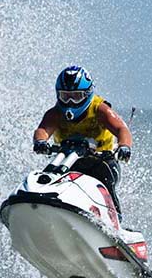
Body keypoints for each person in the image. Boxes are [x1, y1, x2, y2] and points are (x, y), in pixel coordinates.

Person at [32, 66, 132, 217]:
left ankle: (116, 220)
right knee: (48, 176)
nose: (71, 102)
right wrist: (40, 142)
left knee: (105, 179)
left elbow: (122, 129)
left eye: (76, 96)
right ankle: (38, 206)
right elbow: (43, 130)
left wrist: (124, 146)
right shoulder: (56, 113)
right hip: (68, 160)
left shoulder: (100, 109)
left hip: (101, 161)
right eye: (65, 96)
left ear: (88, 94)